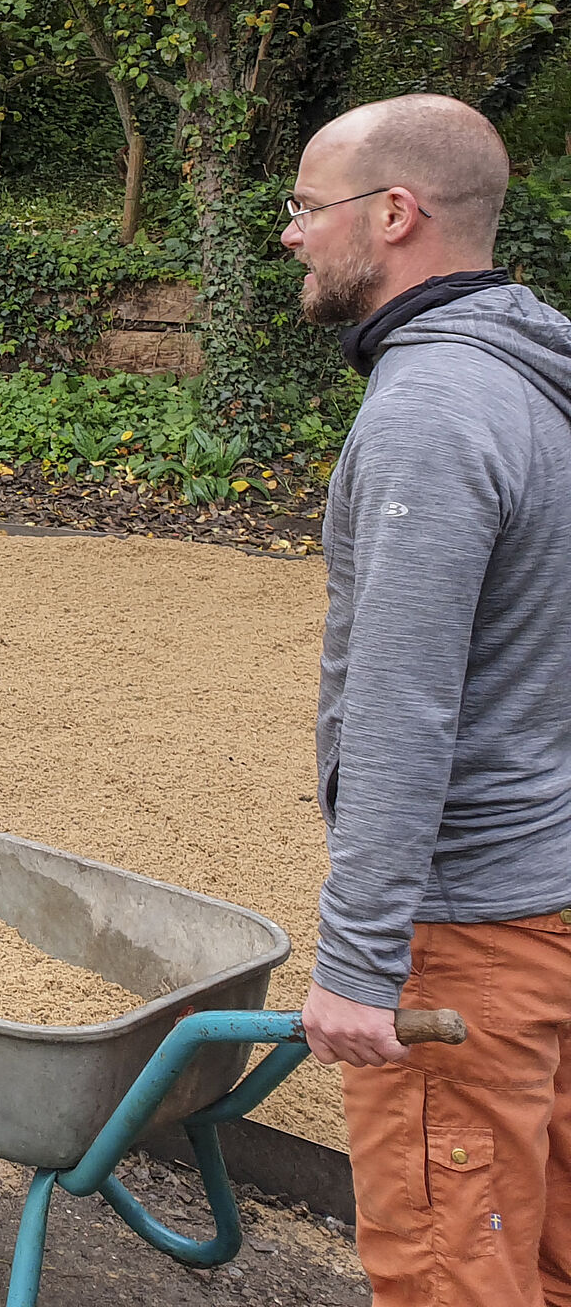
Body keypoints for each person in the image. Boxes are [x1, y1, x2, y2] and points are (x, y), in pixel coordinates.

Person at [286, 94, 571, 1305]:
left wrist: (360, 966)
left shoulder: (429, 413)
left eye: (307, 208)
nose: (291, 235)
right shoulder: (537, 379)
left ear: (394, 215)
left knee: (454, 1266)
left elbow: (405, 708)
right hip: (550, 895)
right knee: (540, 1246)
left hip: (467, 936)